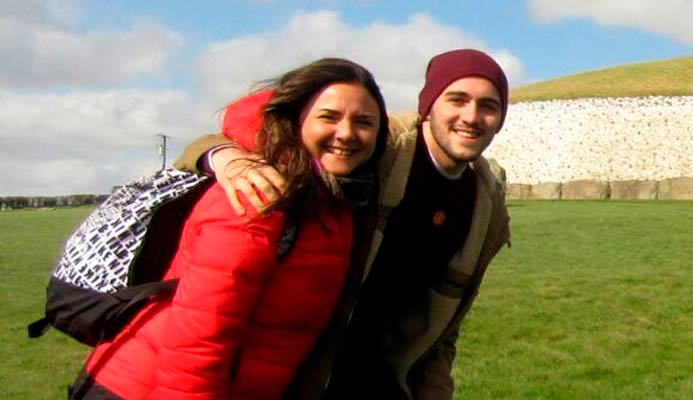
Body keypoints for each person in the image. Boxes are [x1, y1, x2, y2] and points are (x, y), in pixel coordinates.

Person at [176, 49, 513, 399]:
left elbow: (444, 332)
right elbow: (258, 129)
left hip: (382, 379)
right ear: (428, 105)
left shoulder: (485, 204)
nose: (471, 116)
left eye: (489, 106)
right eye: (456, 100)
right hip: (302, 368)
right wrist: (225, 157)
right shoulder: (377, 142)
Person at [75, 58, 390, 399]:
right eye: (328, 117)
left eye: (363, 122)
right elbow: (201, 332)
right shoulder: (258, 192)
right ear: (296, 120)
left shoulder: (334, 198)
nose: (346, 133)